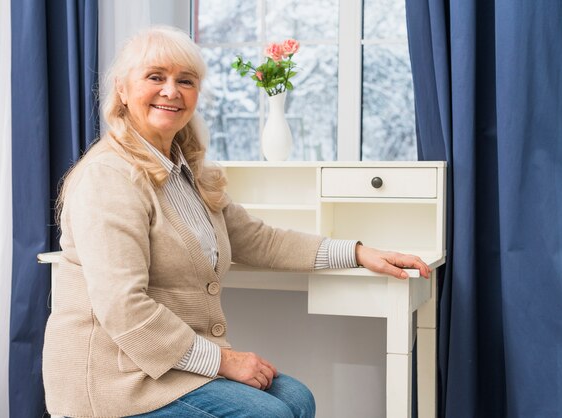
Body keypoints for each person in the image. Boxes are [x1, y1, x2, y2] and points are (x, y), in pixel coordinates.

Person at [42, 25, 431, 418]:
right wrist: (225, 361)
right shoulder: (109, 177)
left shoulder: (185, 172)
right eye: (155, 77)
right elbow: (125, 309)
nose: (171, 91)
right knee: (271, 414)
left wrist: (358, 252)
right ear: (122, 89)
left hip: (170, 367)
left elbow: (259, 240)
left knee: (297, 399)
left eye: (186, 80)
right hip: (118, 380)